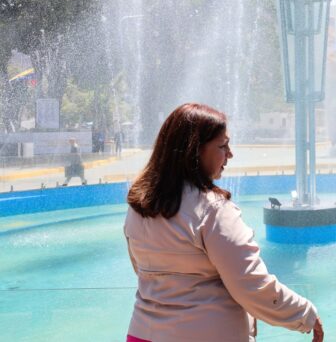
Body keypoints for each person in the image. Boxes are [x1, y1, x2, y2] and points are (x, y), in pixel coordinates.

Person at [124, 103, 323, 342]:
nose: (230, 154)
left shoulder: (139, 207)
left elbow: (143, 272)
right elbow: (251, 285)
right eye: (223, 146)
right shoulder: (212, 210)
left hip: (142, 333)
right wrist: (305, 314)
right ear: (195, 150)